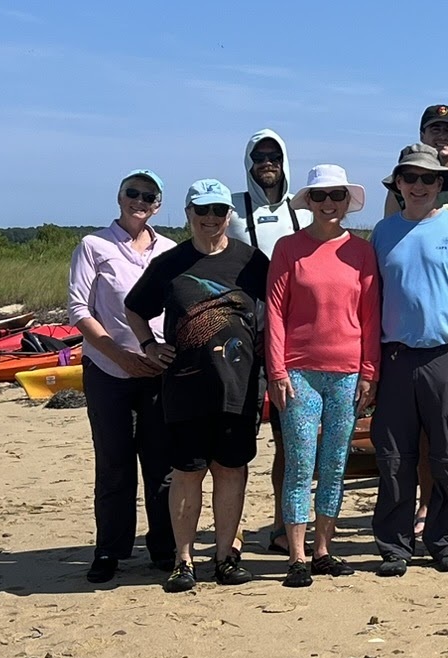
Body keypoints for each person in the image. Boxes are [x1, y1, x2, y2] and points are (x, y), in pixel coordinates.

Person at [123, 179, 270, 593]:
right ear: (188, 213)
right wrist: (149, 345)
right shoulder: (171, 263)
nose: (210, 219)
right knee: (188, 472)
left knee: (231, 469)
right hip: (185, 386)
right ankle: (182, 561)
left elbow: (277, 307)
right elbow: (134, 308)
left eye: (219, 211)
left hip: (239, 387)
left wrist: (269, 348)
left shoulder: (251, 261)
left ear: (229, 215)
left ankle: (225, 556)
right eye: (202, 211)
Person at [369, 144, 448, 575]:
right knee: (393, 456)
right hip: (396, 357)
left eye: (428, 178)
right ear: (398, 184)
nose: (419, 185)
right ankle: (394, 545)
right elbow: (370, 305)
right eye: (410, 178)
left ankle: (446, 540)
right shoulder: (382, 233)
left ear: (440, 184)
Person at [265, 165, 380, 586]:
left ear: (347, 202)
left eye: (336, 195)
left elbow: (370, 314)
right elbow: (275, 313)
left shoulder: (362, 251)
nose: (328, 203)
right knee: (299, 463)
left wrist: (370, 371)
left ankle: (323, 550)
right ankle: (296, 555)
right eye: (319, 196)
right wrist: (276, 370)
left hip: (347, 373)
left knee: (334, 464)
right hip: (298, 372)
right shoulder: (288, 249)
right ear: (308, 202)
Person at [67, 169, 178, 584]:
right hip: (108, 370)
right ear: (119, 197)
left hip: (157, 371)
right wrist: (119, 354)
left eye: (149, 196)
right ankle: (110, 550)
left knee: (161, 464)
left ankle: (164, 547)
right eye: (133, 193)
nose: (140, 201)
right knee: (114, 463)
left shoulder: (169, 250)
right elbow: (80, 309)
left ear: (158, 205)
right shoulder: (93, 245)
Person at [226, 129, 312, 560]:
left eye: (273, 155)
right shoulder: (234, 209)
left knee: (288, 439)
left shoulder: (302, 210)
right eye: (258, 156)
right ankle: (232, 529)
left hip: (289, 338)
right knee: (238, 439)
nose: (266, 162)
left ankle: (282, 525)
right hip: (243, 336)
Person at [383, 104, 448, 217]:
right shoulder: (405, 183)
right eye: (435, 130)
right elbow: (390, 228)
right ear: (422, 136)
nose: (442, 136)